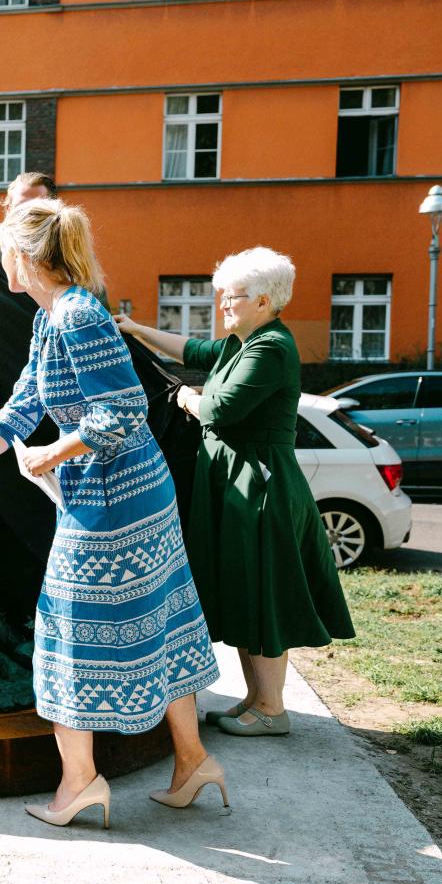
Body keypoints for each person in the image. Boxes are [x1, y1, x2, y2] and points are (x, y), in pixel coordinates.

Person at [0, 198, 225, 827]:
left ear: (24, 255)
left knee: (64, 632)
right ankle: (193, 759)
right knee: (159, 618)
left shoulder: (77, 316)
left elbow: (121, 411)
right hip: (127, 493)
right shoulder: (51, 318)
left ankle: (79, 783)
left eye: (2, 246)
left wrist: (49, 455)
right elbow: (24, 400)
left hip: (114, 498)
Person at [115, 247, 354, 736]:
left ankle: (272, 710)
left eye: (233, 297)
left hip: (259, 486)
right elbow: (192, 351)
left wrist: (187, 396)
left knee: (261, 593)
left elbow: (220, 408)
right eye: (222, 294)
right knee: (245, 593)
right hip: (238, 483)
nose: (223, 304)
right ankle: (255, 700)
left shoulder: (271, 348)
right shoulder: (243, 342)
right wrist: (137, 330)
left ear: (264, 300)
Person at [0, 172, 56, 259]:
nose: (28, 215)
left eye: (38, 208)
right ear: (9, 210)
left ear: (53, 211)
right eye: (20, 207)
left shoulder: (65, 255)